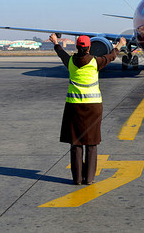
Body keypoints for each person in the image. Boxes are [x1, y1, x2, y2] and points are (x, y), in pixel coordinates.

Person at [50, 33, 126, 185]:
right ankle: (89, 178)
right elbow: (111, 56)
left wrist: (56, 42)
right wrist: (120, 45)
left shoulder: (70, 61)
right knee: (91, 143)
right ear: (89, 47)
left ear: (77, 47)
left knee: (76, 143)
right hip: (93, 107)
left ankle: (77, 179)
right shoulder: (95, 62)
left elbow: (61, 53)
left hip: (74, 106)